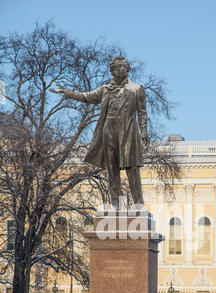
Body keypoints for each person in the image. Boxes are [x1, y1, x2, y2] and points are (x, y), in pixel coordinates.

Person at [50, 56, 149, 209]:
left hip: (128, 131)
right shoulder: (105, 89)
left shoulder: (136, 89)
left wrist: (144, 132)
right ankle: (115, 203)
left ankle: (138, 203)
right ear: (112, 71)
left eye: (124, 67)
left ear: (128, 70)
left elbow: (142, 112)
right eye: (118, 67)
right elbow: (86, 96)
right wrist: (67, 92)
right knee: (112, 168)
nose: (121, 70)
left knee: (132, 167)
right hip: (108, 130)